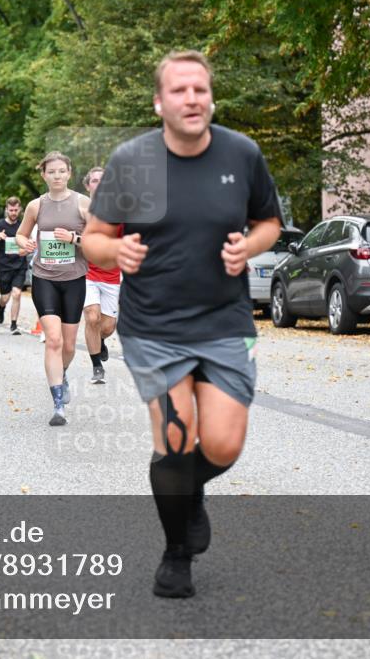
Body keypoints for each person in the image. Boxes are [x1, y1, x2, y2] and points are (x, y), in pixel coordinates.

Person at [83, 50, 282, 599]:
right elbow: (93, 237)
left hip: (224, 319)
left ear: (211, 97)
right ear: (159, 102)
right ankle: (177, 552)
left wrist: (250, 246)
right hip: (154, 323)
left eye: (200, 89)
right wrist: (115, 250)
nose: (191, 98)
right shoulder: (132, 160)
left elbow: (269, 222)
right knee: (175, 440)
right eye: (179, 90)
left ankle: (188, 495)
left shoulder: (241, 153)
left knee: (222, 444)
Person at [16, 151, 91, 427]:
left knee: (69, 345)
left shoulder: (83, 203)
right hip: (44, 277)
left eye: (61, 171)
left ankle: (63, 372)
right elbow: (21, 233)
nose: (57, 176)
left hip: (74, 279)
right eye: (51, 172)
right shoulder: (36, 206)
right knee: (54, 340)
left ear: (69, 173)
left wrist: (73, 238)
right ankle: (58, 404)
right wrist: (24, 243)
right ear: (43, 175)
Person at [81, 166, 121, 384]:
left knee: (107, 327)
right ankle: (97, 366)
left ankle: (100, 341)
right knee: (92, 316)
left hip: (112, 276)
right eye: (95, 181)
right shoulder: (79, 210)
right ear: (88, 186)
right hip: (86, 273)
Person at [0, 197, 28, 335]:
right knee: (5, 297)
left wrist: (26, 250)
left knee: (17, 293)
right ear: (6, 210)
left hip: (19, 266)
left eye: (16, 210)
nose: (13, 213)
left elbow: (29, 244)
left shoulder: (22, 226)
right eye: (11, 210)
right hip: (3, 267)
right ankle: (1, 307)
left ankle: (14, 324)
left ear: (20, 209)